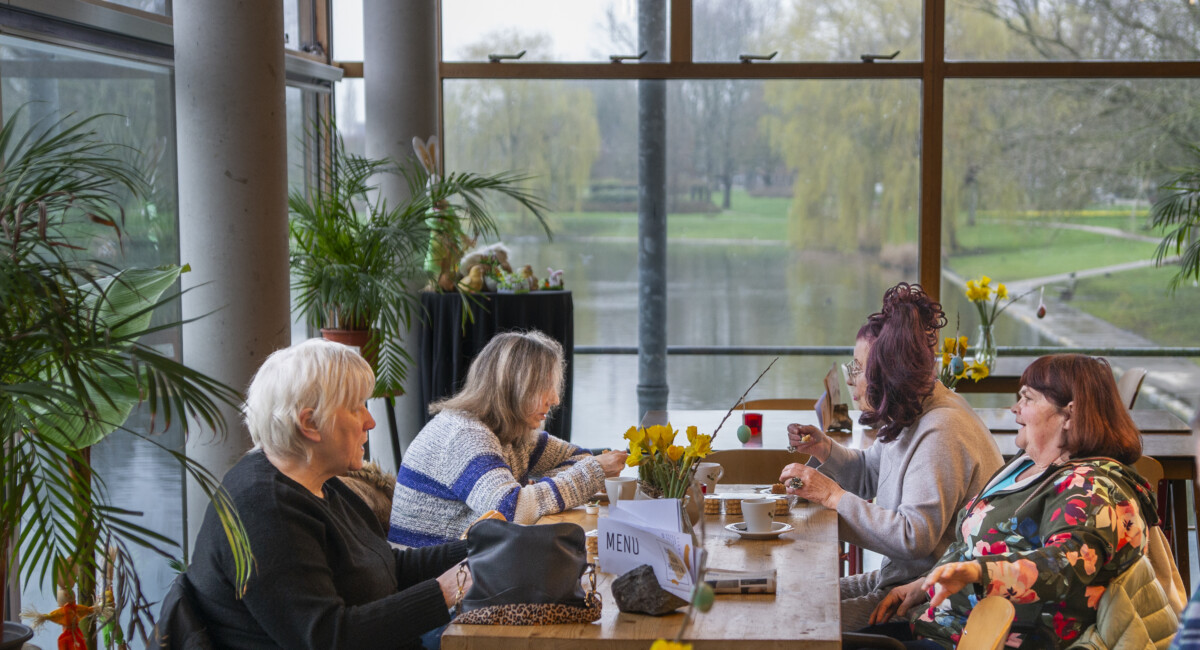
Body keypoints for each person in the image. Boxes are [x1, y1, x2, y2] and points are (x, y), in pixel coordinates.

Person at [188, 339, 470, 650]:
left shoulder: (320, 478)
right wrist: (446, 589)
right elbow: (327, 636)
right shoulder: (264, 508)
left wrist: (480, 546)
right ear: (309, 423)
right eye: (356, 407)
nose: (370, 421)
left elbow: (389, 567)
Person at [865, 354, 1158, 649]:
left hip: (988, 641)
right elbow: (972, 544)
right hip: (945, 626)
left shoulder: (1091, 489)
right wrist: (923, 587)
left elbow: (1062, 566)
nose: (1015, 409)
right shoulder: (1027, 462)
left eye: (1028, 399)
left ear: (1069, 415)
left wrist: (980, 574)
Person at [780, 282, 1004, 631]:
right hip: (899, 579)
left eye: (858, 369)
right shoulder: (912, 409)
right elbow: (871, 473)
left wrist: (831, 495)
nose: (852, 381)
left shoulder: (941, 430)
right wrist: (825, 449)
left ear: (887, 372)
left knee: (800, 621)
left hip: (925, 602)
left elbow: (914, 537)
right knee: (791, 598)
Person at [389, 330, 627, 547]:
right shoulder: (465, 435)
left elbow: (579, 457)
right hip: (435, 580)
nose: (554, 399)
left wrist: (538, 491)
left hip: (465, 568)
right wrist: (592, 472)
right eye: (544, 386)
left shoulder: (510, 432)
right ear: (513, 387)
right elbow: (512, 511)